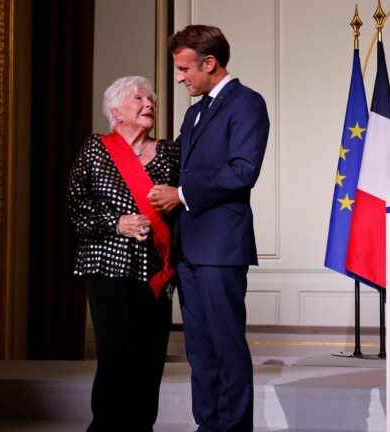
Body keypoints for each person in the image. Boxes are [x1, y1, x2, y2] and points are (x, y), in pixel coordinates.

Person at [148, 25, 270, 432]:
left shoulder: (247, 104)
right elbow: (176, 158)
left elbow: (242, 171)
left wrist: (181, 194)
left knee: (226, 347)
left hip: (221, 249)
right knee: (200, 351)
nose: (180, 77)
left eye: (184, 69)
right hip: (190, 249)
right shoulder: (195, 111)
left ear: (210, 63)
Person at [68, 76, 179, 432]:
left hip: (154, 271)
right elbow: (76, 205)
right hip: (106, 268)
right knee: (116, 359)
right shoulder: (96, 149)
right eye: (138, 98)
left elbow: (184, 205)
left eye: (151, 98)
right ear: (115, 111)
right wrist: (117, 222)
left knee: (150, 363)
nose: (149, 103)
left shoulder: (169, 152)